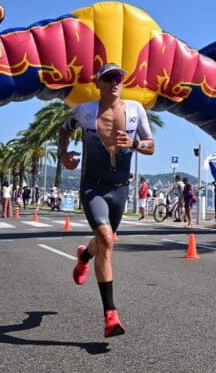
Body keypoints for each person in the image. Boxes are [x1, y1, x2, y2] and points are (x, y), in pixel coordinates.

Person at [58, 62, 154, 338]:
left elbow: (151, 145)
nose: (116, 82)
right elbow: (64, 131)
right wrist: (64, 155)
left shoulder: (136, 110)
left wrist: (134, 144)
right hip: (93, 187)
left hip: (120, 190)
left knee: (103, 241)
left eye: (119, 78)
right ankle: (110, 315)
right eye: (110, 78)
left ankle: (84, 256)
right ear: (98, 82)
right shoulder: (85, 112)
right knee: (107, 240)